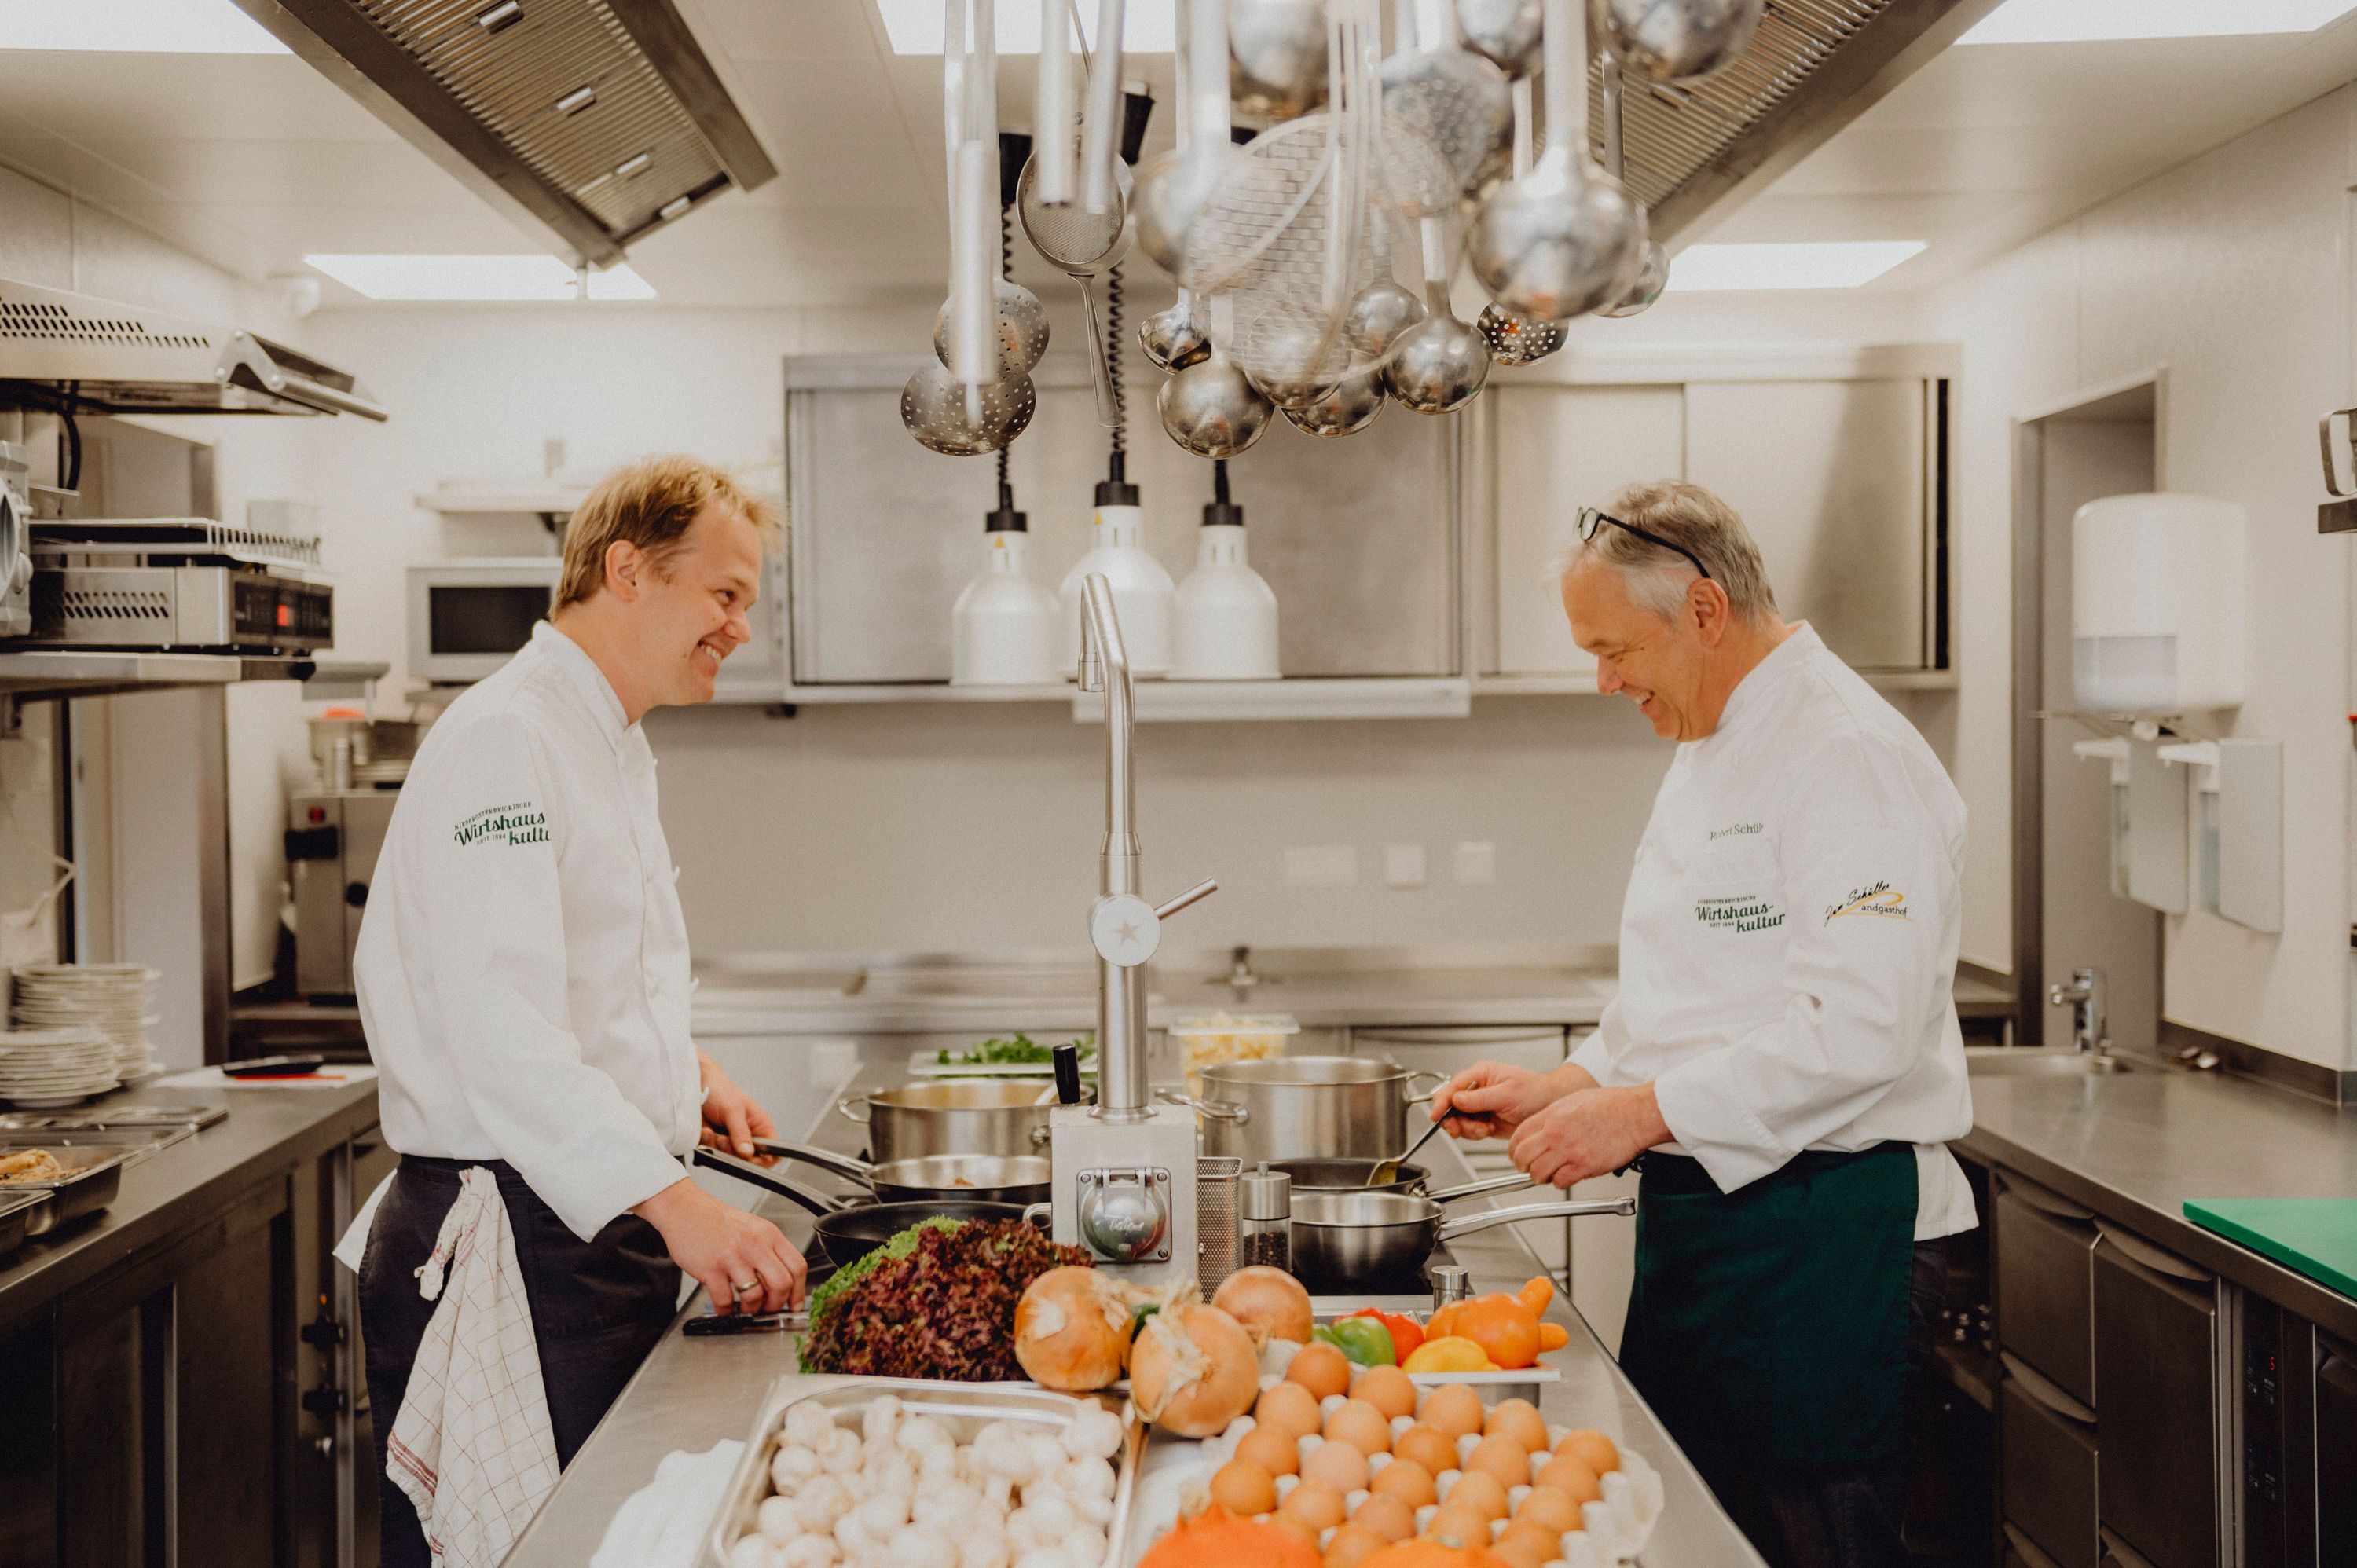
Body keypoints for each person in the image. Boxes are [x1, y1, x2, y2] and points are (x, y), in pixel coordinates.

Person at [1431, 479, 1976, 1568]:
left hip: (1827, 1240)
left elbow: (1858, 1028)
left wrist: (1638, 1113)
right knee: (1686, 1535)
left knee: (1809, 1545)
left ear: (1705, 609)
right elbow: (1691, 991)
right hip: (1716, 1232)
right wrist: (1574, 1085)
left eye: (1614, 649)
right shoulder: (1711, 741)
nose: (1604, 681)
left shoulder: (1845, 752)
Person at [354, 456, 808, 1567]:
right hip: (517, 1243)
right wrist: (681, 1205)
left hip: (582, 1227)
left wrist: (682, 1077)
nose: (741, 627)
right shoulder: (506, 739)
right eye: (725, 593)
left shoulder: (605, 736)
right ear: (628, 571)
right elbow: (499, 1028)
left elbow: (582, 977)